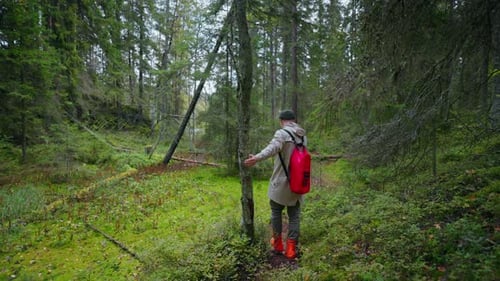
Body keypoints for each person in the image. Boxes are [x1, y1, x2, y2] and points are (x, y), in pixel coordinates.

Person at [243, 110, 306, 259]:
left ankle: (277, 245)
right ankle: (291, 248)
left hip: (281, 183)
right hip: (299, 183)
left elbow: (272, 148)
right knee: (294, 216)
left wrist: (256, 158)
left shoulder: (282, 133)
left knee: (276, 212)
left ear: (281, 121)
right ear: (294, 120)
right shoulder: (302, 135)